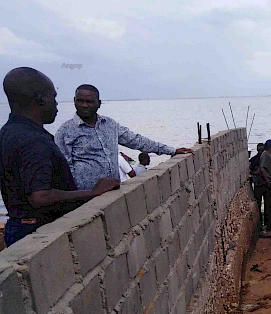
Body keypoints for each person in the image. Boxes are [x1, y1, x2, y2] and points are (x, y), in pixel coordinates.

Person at [0, 68, 119, 246]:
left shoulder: (8, 133)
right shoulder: (34, 141)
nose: (56, 105)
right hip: (35, 232)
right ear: (40, 99)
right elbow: (40, 197)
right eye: (53, 97)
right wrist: (93, 193)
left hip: (18, 225)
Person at [55, 84, 191, 191]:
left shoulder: (110, 125)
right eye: (80, 101)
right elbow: (63, 169)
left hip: (113, 192)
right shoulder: (65, 131)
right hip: (85, 198)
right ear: (74, 101)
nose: (84, 105)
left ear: (99, 103)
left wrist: (172, 150)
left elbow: (137, 141)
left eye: (89, 101)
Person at [256, 139, 271, 232]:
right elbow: (262, 168)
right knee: (269, 205)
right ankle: (269, 225)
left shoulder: (269, 155)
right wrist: (267, 181)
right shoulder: (265, 155)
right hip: (269, 184)